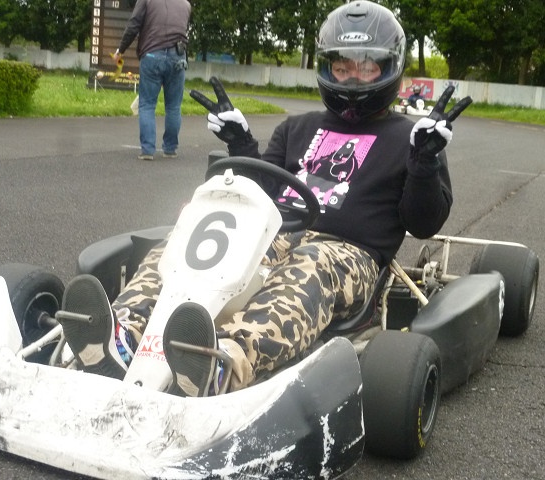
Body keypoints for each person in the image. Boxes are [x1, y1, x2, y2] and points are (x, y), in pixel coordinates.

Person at [58, 1, 472, 397]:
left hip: (346, 253)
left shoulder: (414, 139)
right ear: (327, 67)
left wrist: (424, 163)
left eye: (365, 69)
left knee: (310, 265)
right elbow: (258, 193)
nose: (351, 79)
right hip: (271, 233)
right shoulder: (297, 128)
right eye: (341, 68)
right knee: (186, 247)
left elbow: (423, 223)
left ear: (389, 67)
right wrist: (241, 145)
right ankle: (119, 338)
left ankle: (219, 363)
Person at [113, 0, 191, 161]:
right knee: (173, 106)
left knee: (147, 104)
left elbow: (134, 25)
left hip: (152, 54)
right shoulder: (185, 4)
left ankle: (148, 150)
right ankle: (170, 149)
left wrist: (120, 50)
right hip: (178, 57)